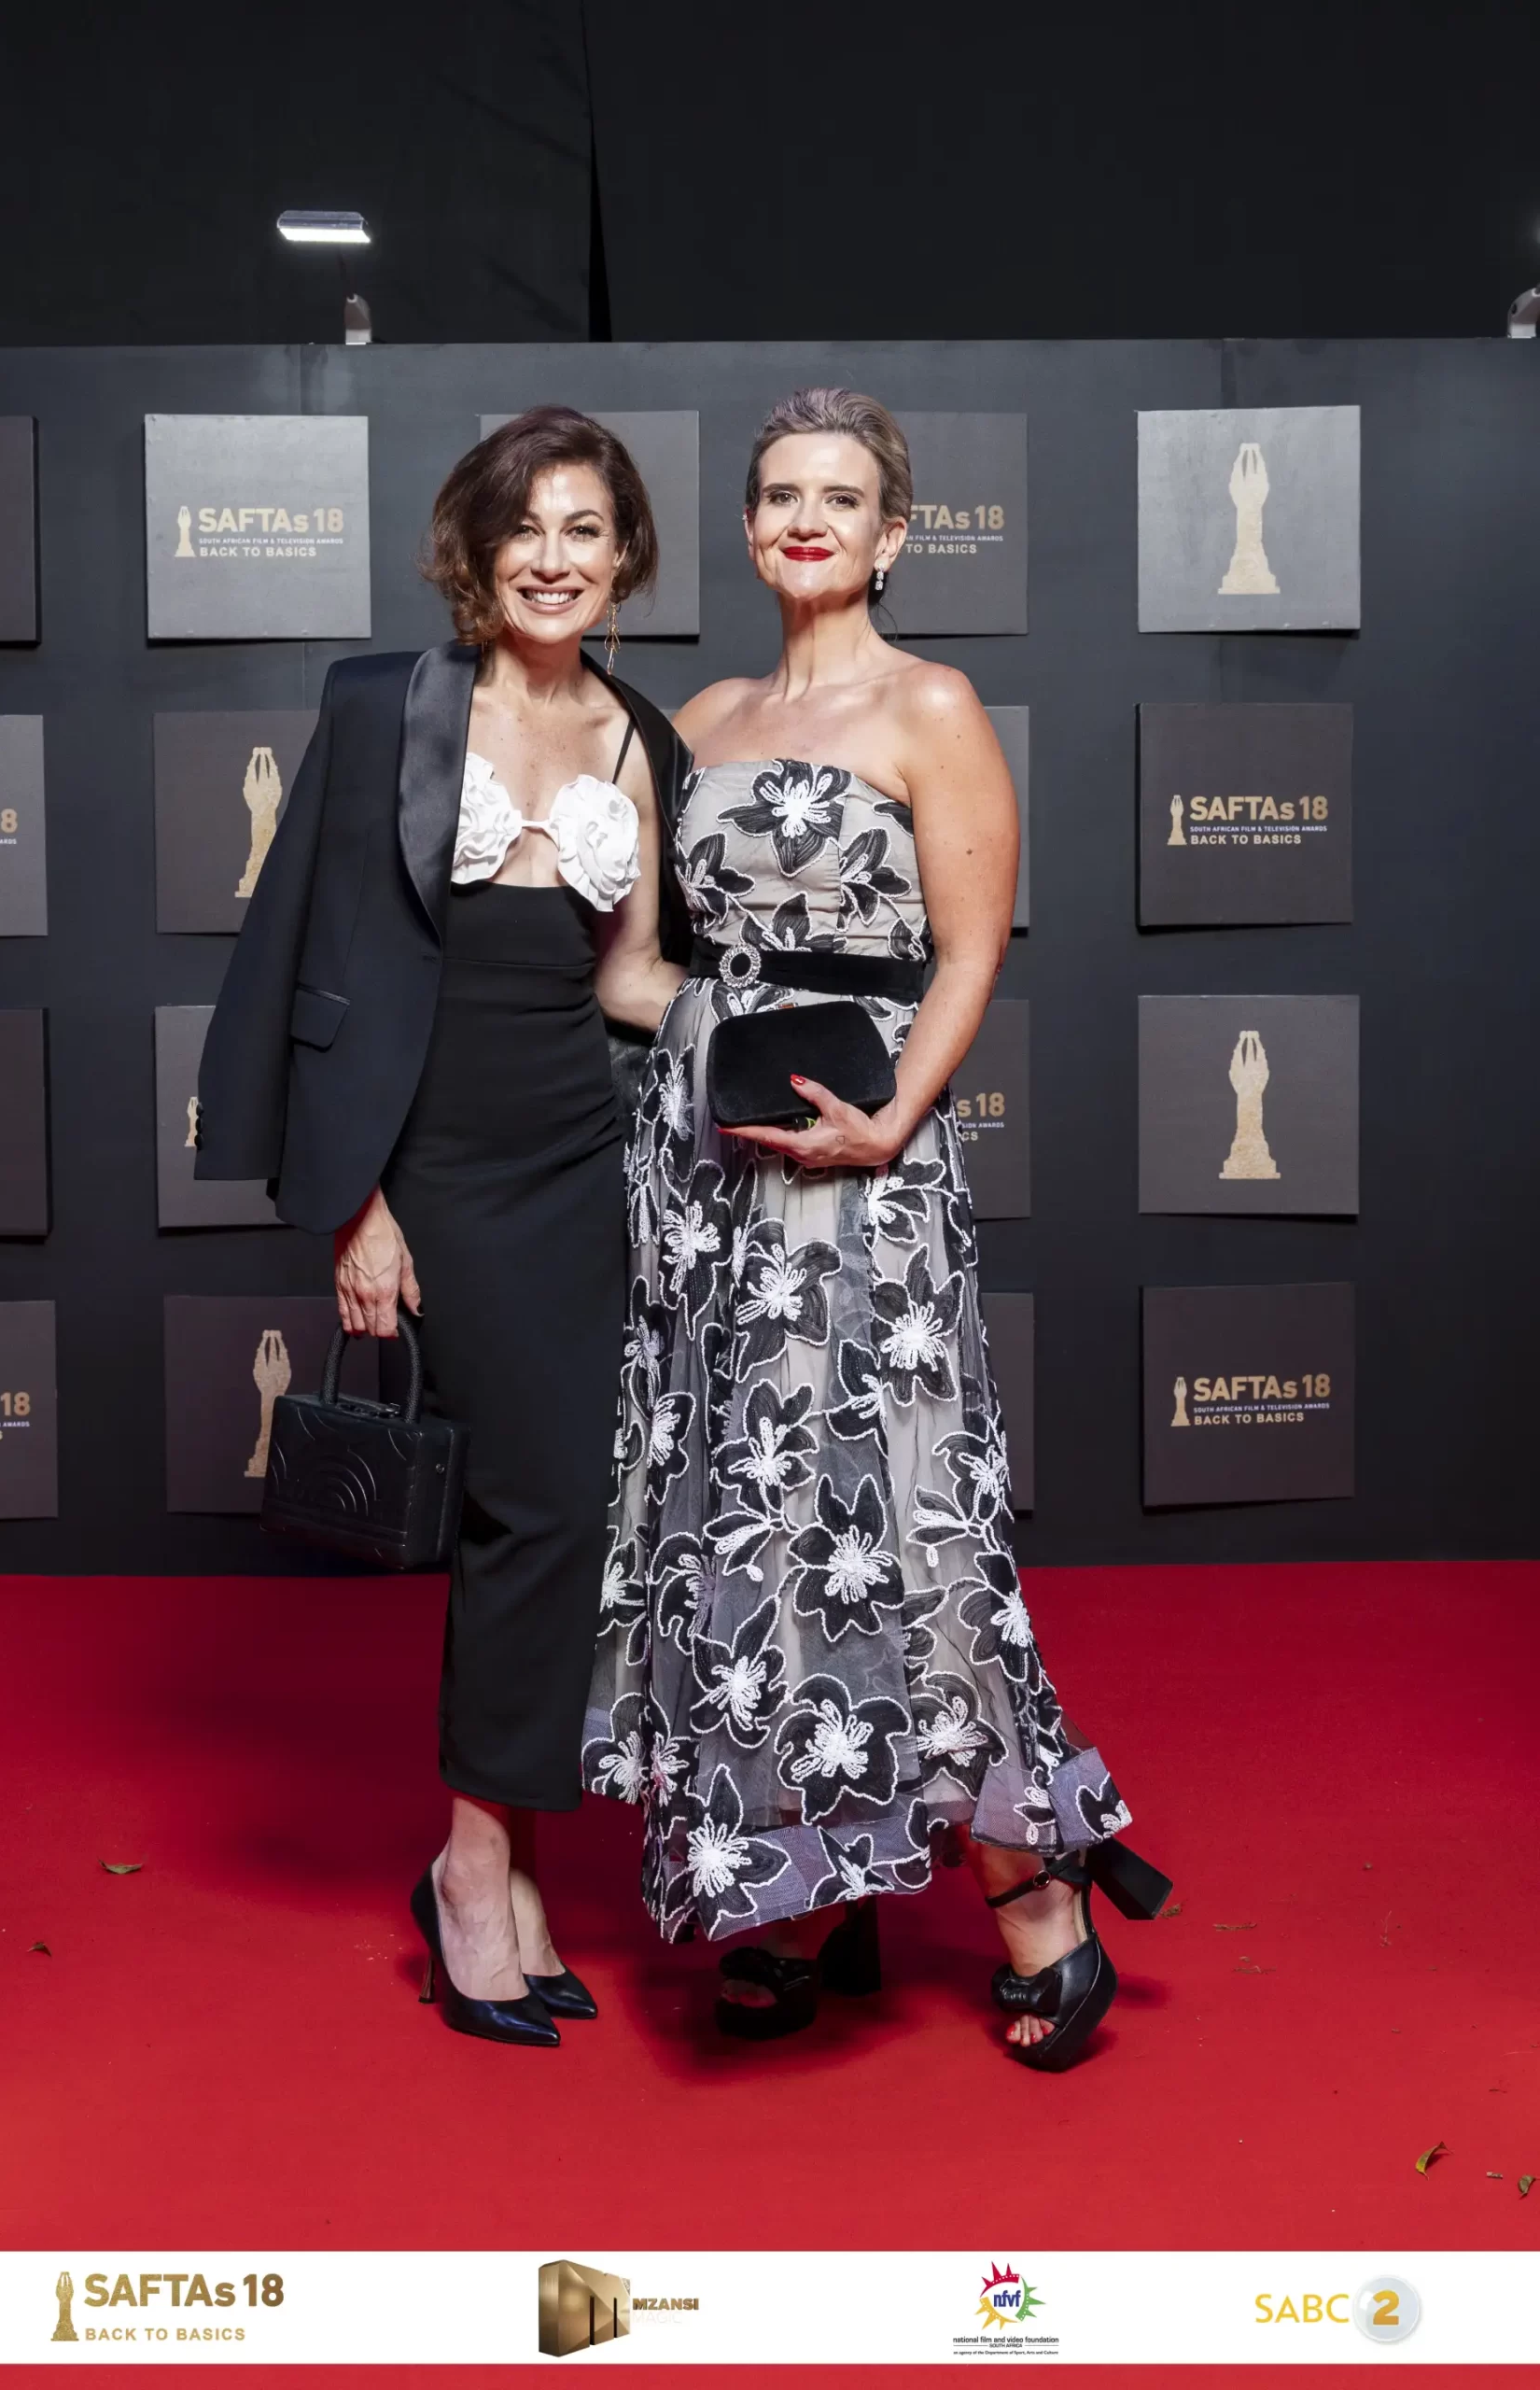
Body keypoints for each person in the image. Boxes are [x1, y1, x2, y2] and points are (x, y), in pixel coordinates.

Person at [583, 387, 1170, 2069]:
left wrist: (894, 1118)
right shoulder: (698, 716)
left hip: (864, 1175)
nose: (805, 519)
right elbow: (637, 972)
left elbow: (969, 951)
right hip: (708, 1180)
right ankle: (794, 1892)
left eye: (839, 497)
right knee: (744, 1521)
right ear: (748, 525)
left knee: (896, 1512)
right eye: (779, 494)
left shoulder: (932, 704)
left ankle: (1030, 1884)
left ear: (891, 533)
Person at [196, 407, 688, 2047]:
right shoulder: (386, 707)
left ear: (625, 557)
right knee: (529, 1506)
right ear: (476, 551)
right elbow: (300, 947)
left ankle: (505, 1869)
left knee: (554, 1511)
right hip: (432, 1164)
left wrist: (796, 1013)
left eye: (584, 530)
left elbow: (632, 974)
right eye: (524, 528)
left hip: (580, 1157)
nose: (554, 558)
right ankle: (476, 1877)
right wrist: (357, 1205)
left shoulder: (640, 737)